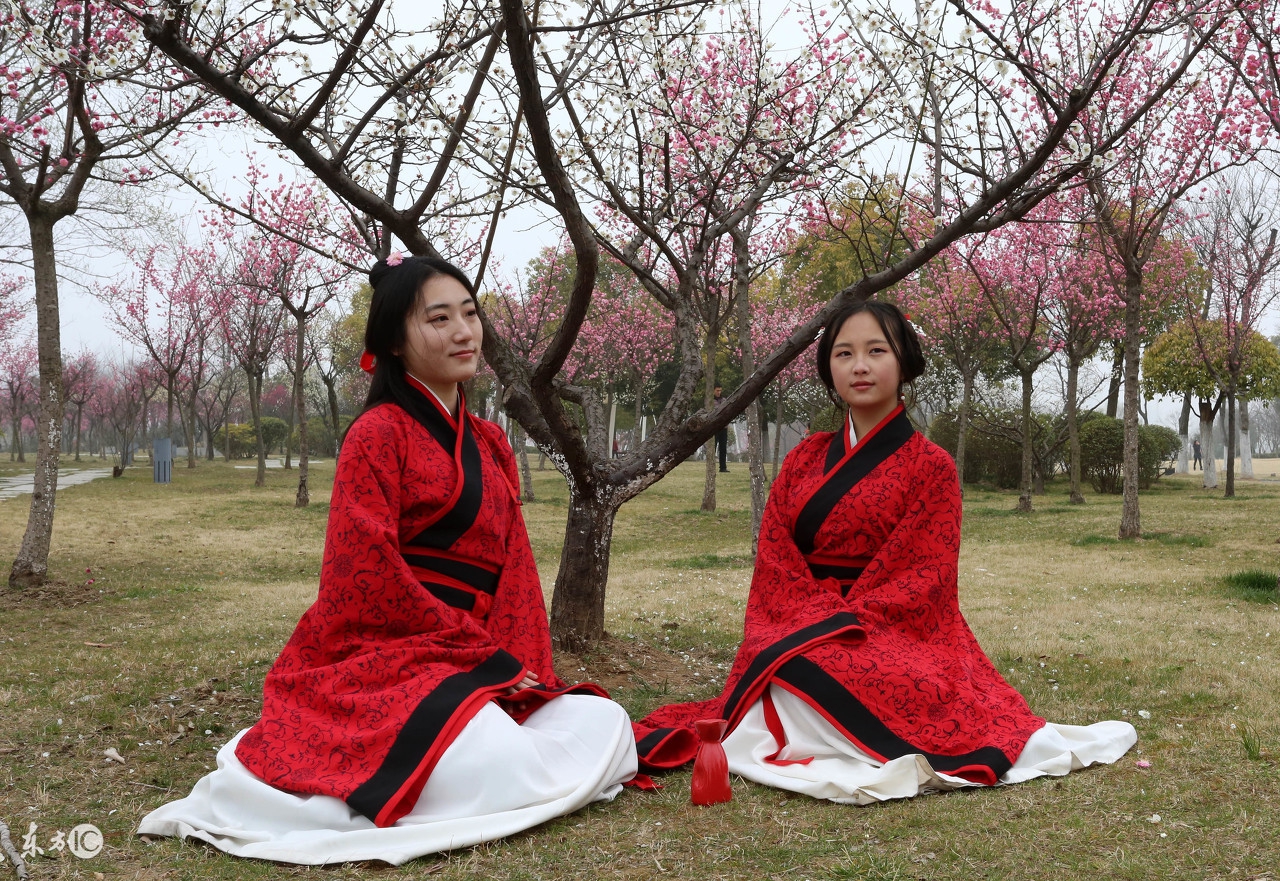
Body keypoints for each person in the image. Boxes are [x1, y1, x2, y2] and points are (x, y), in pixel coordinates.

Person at [137, 255, 636, 864]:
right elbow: (363, 574)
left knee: (602, 720)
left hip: (475, 649)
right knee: (494, 753)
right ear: (394, 342)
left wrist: (514, 662)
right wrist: (474, 654)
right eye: (439, 319)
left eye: (470, 314)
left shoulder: (490, 441)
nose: (463, 332)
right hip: (393, 651)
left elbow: (515, 571)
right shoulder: (376, 434)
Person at [633, 300, 1135, 804]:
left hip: (890, 630)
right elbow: (776, 556)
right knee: (789, 661)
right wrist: (812, 616)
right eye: (844, 353)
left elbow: (924, 577)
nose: (860, 366)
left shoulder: (931, 466)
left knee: (812, 665)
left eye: (876, 351)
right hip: (800, 616)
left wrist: (838, 621)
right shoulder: (805, 456)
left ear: (904, 362)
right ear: (829, 368)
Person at [714, 385, 729, 472]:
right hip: (714, 427)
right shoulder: (711, 401)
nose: (719, 392)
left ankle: (723, 467)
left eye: (720, 390)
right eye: (717, 390)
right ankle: (711, 466)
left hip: (724, 427)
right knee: (713, 447)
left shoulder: (724, 400)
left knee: (723, 448)